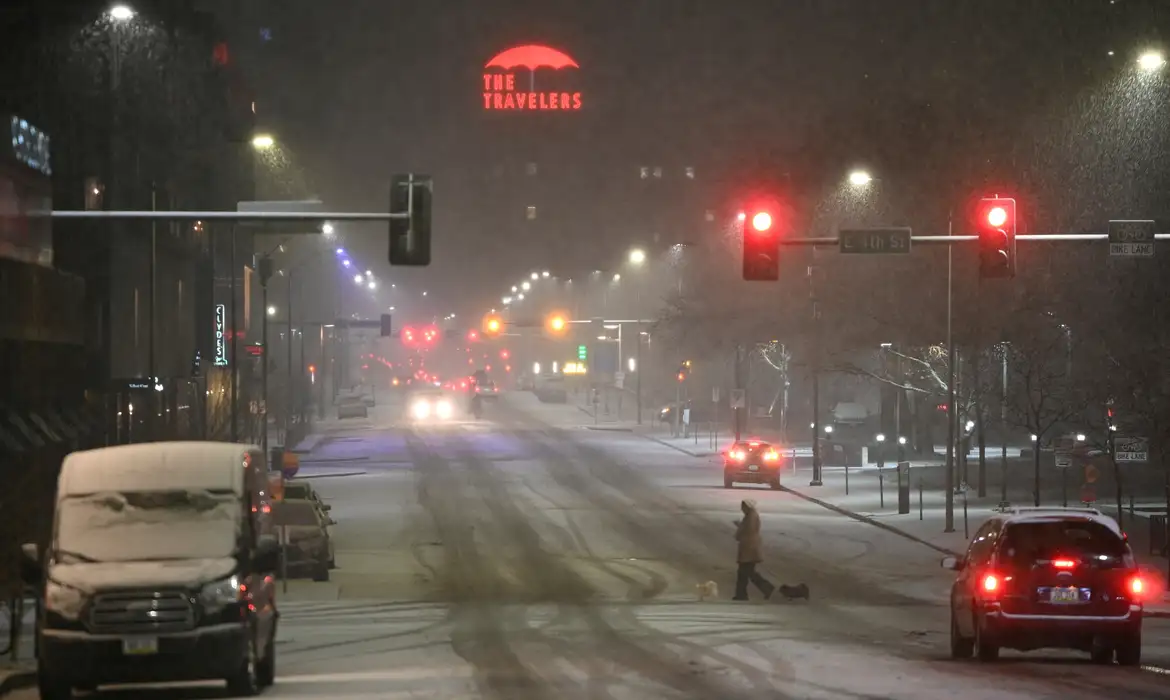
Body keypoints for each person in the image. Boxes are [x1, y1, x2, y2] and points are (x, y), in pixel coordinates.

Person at [733, 499, 775, 601]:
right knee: (744, 573)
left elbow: (749, 530)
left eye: (743, 506)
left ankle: (766, 588)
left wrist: (740, 529)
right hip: (749, 548)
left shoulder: (751, 516)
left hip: (749, 549)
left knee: (747, 572)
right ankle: (741, 594)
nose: (742, 508)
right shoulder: (750, 515)